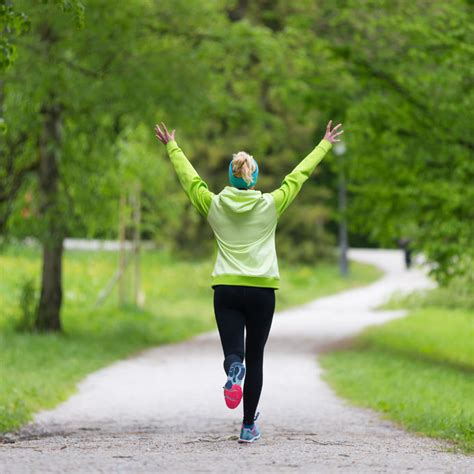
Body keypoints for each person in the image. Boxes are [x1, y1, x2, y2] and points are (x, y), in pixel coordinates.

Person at [155, 120, 343, 443]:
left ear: (230, 176)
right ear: (253, 177)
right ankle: (247, 427)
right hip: (261, 292)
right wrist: (324, 144)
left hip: (226, 290)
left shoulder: (214, 205)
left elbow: (191, 181)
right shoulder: (270, 205)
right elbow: (298, 176)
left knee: (235, 354)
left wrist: (172, 145)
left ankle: (232, 369)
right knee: (256, 358)